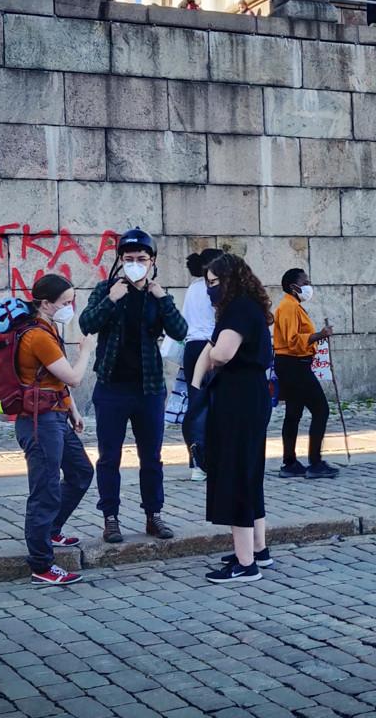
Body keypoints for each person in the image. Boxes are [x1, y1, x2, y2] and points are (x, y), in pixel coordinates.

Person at [79, 227, 188, 543]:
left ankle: (153, 515)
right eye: (129, 258)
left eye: (141, 258)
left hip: (149, 389)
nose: (135, 263)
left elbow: (181, 331)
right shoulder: (106, 289)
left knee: (151, 456)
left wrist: (163, 298)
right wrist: (112, 299)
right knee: (109, 456)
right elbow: (87, 324)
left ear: (152, 260)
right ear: (120, 260)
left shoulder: (158, 295)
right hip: (112, 387)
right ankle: (110, 518)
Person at [192, 254, 275, 584]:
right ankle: (258, 549)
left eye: (214, 283)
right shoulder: (244, 307)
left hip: (239, 398)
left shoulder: (238, 309)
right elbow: (210, 351)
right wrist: (198, 384)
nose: (211, 289)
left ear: (230, 280)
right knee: (249, 473)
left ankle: (245, 563)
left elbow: (220, 352)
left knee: (236, 474)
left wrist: (212, 354)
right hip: (248, 395)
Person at [9, 275, 95, 586]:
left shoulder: (49, 328)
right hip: (39, 421)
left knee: (81, 472)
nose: (69, 307)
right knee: (44, 490)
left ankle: (51, 530)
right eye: (65, 302)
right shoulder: (37, 336)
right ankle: (41, 564)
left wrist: (72, 410)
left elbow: (51, 379)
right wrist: (85, 350)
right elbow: (72, 377)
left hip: (55, 415)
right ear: (46, 304)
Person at [273, 269, 337, 479]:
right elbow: (293, 340)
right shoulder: (289, 307)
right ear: (294, 286)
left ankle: (289, 462)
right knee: (321, 409)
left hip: (292, 364)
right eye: (305, 281)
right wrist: (319, 334)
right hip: (294, 365)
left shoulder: (292, 306)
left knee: (294, 413)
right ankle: (315, 462)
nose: (308, 285)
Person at [182, 248, 224, 483]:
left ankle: (196, 461)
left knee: (196, 402)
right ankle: (207, 460)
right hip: (211, 346)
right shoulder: (215, 289)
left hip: (191, 347)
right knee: (213, 405)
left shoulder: (193, 288)